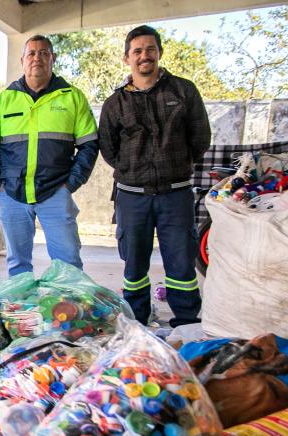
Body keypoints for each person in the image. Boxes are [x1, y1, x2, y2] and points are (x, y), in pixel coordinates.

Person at [98, 25, 211, 327]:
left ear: (159, 53)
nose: (144, 56)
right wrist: (133, 169)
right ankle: (136, 323)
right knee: (133, 267)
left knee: (181, 266)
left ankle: (187, 324)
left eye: (150, 49)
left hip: (176, 195)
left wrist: (176, 164)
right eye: (137, 51)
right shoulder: (114, 103)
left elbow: (200, 138)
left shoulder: (183, 91)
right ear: (127, 59)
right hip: (132, 198)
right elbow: (108, 149)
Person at [0, 35, 99, 276]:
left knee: (68, 265)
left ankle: (68, 312)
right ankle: (22, 314)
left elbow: (89, 146)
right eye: (31, 53)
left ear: (52, 59)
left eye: (44, 53)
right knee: (17, 266)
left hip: (56, 192)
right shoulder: (4, 100)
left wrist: (70, 183)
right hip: (12, 194)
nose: (37, 58)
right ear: (22, 60)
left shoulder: (72, 97)